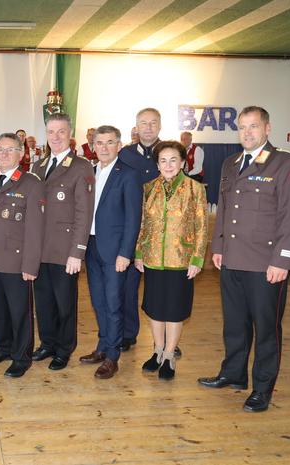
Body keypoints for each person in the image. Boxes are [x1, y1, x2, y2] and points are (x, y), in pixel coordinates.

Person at [198, 106, 290, 412]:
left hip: (265, 264)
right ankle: (233, 374)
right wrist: (217, 246)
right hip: (232, 260)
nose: (247, 132)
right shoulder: (231, 163)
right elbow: (224, 209)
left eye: (254, 126)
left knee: (266, 329)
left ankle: (262, 388)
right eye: (242, 127)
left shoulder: (286, 163)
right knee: (234, 324)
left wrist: (282, 261)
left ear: (267, 129)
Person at [134, 141, 207, 380]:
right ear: (157, 164)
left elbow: (201, 226)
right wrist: (138, 253)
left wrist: (197, 258)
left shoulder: (195, 189)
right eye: (163, 160)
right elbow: (143, 223)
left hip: (181, 259)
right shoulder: (149, 188)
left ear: (183, 162)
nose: (168, 165)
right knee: (155, 309)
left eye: (173, 159)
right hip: (153, 257)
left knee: (174, 310)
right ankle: (156, 351)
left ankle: (169, 356)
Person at [31, 113, 94, 370]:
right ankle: (47, 342)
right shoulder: (38, 166)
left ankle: (64, 348)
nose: (55, 137)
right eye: (51, 132)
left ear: (70, 134)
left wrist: (76, 252)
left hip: (64, 249)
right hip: (40, 249)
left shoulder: (81, 166)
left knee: (65, 302)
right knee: (43, 301)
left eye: (61, 131)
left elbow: (84, 213)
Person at [79, 125, 142, 379]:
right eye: (99, 143)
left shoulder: (128, 174)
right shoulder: (89, 173)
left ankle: (113, 357)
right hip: (91, 247)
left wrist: (126, 253)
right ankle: (103, 346)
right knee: (98, 302)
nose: (104, 147)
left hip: (115, 251)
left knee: (114, 304)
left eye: (109, 142)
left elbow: (133, 218)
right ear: (93, 146)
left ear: (119, 145)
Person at [0, 133, 44, 378]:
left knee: (19, 311)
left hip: (17, 262)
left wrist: (30, 264)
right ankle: (4, 348)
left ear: (21, 154)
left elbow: (35, 229)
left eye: (10, 150)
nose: (4, 154)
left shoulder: (31, 183)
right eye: (0, 150)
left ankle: (21, 356)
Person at [118, 108, 162, 354]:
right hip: (132, 231)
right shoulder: (124, 154)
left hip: (161, 232)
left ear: (160, 126)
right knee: (128, 286)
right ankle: (128, 333)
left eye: (152, 123)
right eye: (143, 123)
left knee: (160, 288)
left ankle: (164, 340)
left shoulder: (170, 152)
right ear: (136, 127)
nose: (148, 127)